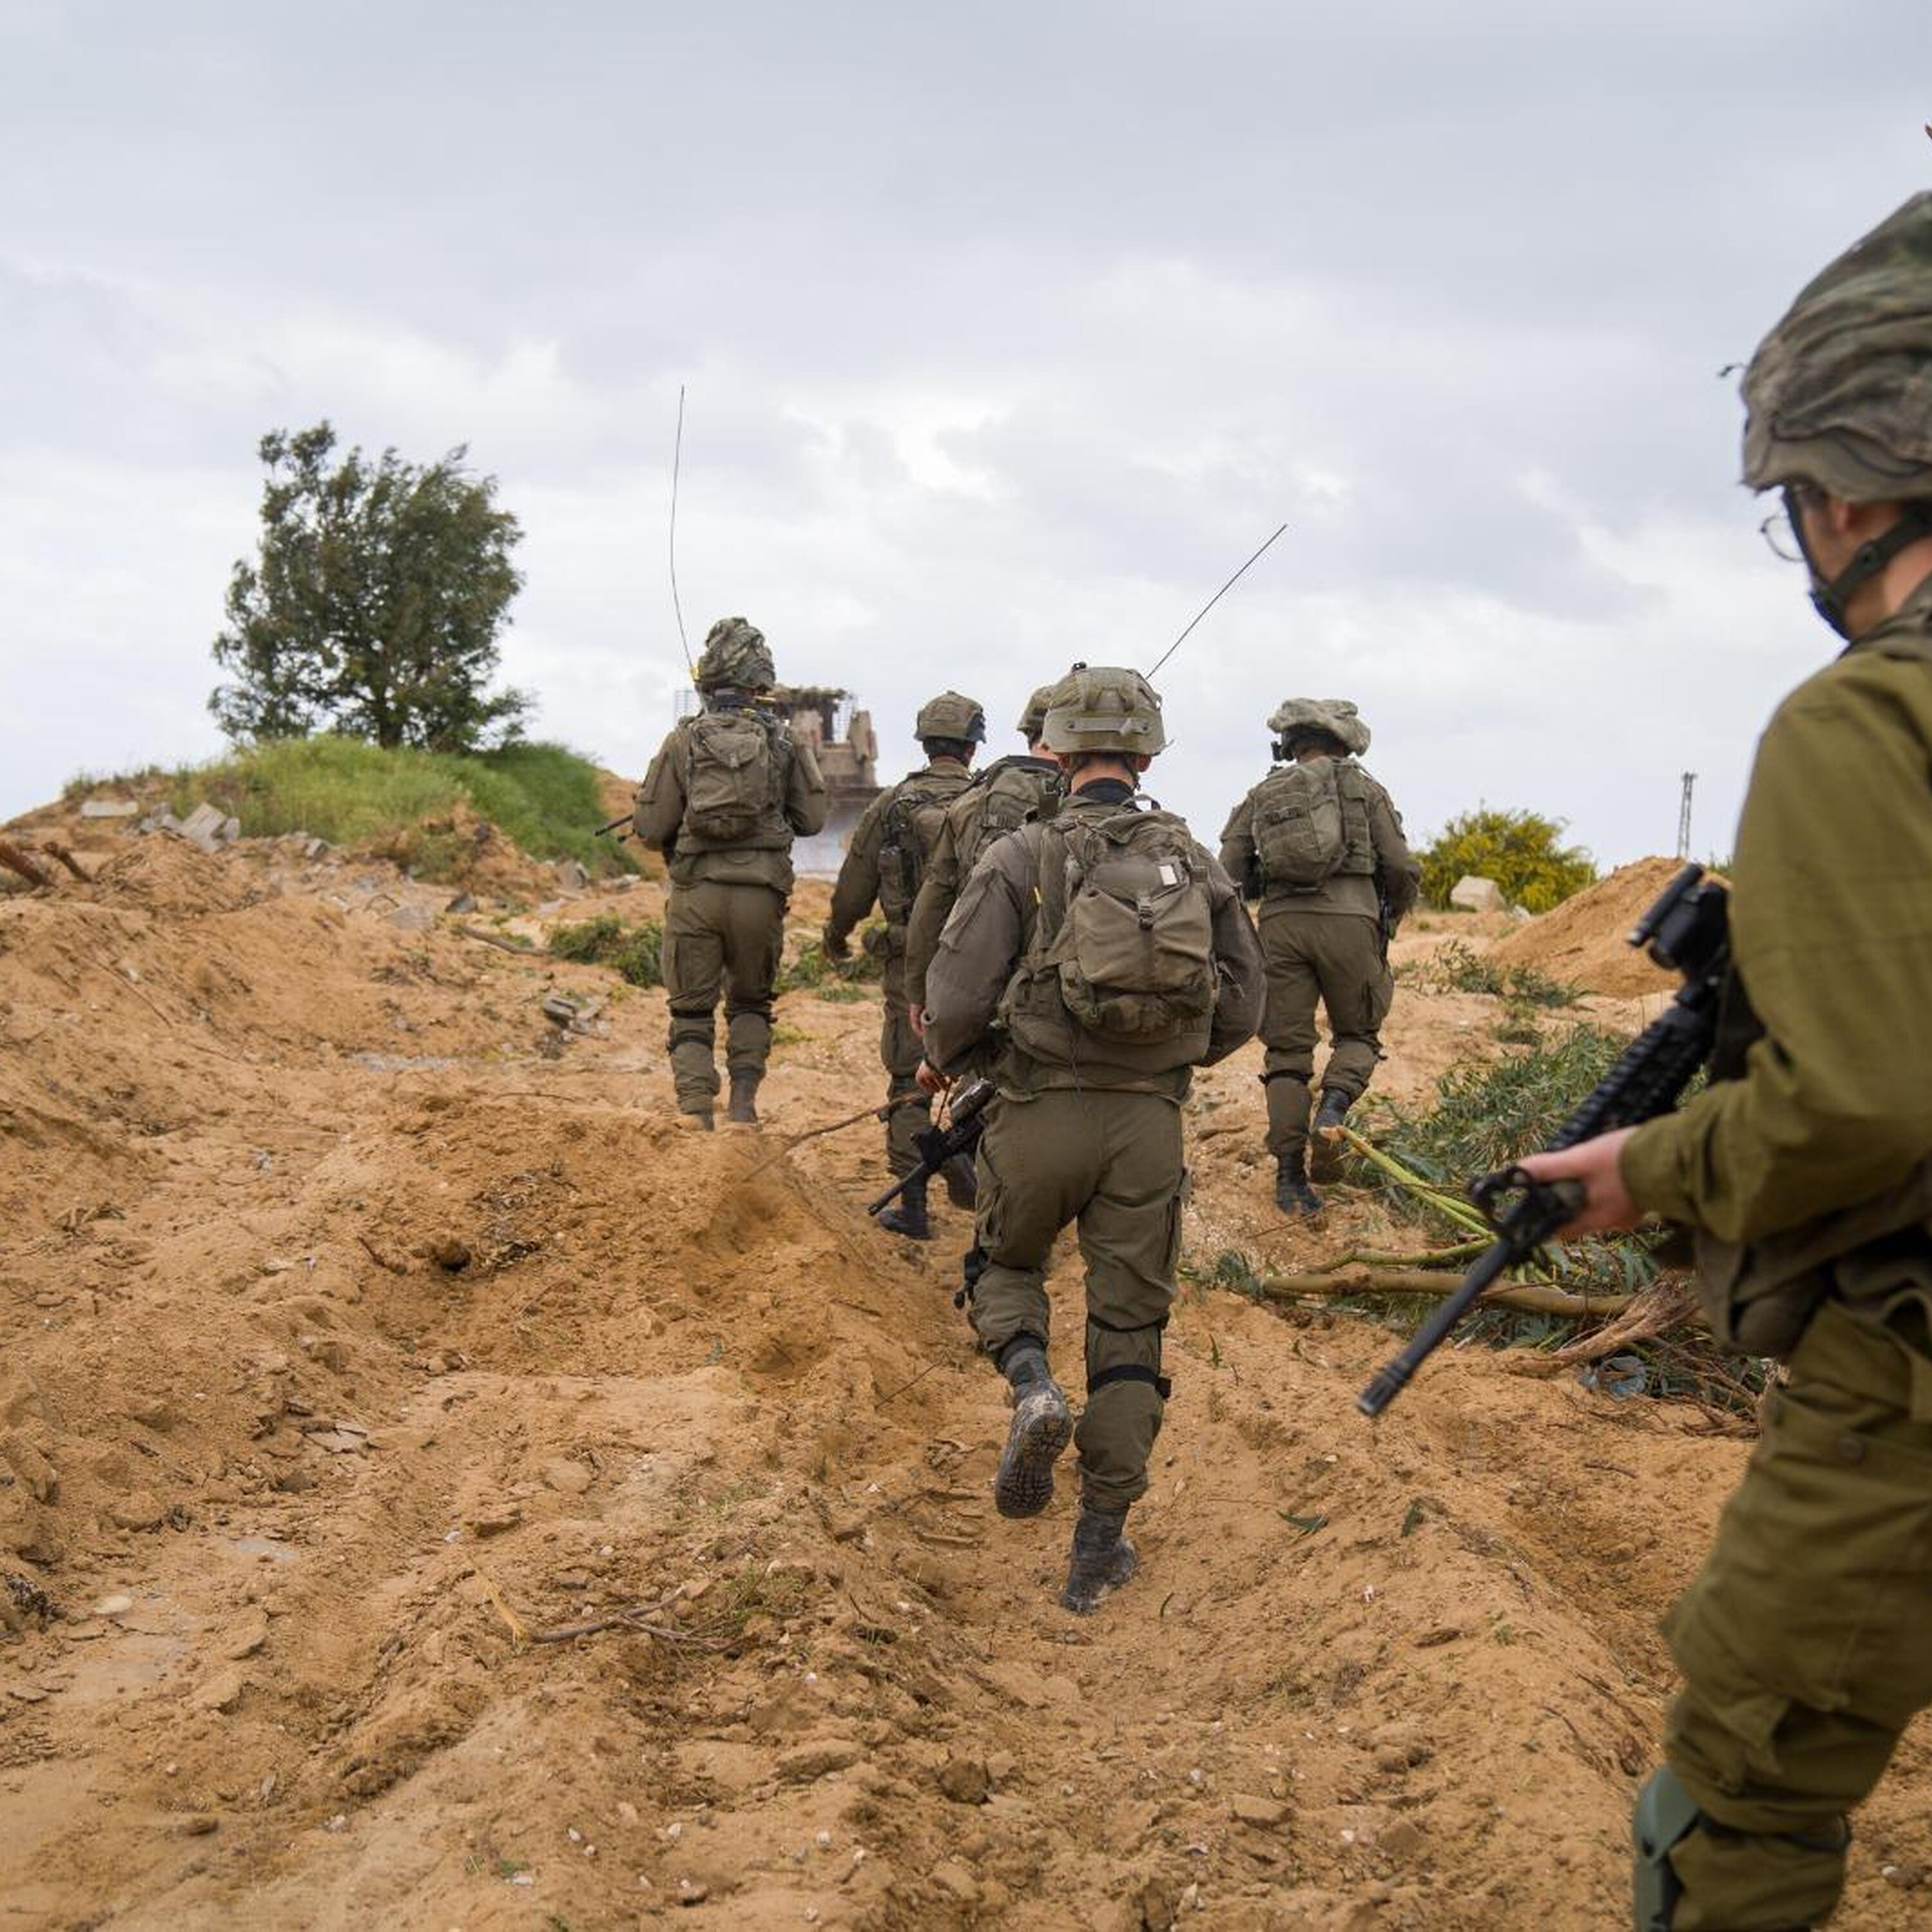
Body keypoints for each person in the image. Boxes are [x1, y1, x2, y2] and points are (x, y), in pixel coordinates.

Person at [1517, 196, 1932, 1931]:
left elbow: (1859, 1097)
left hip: (1908, 1395)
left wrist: (1656, 1171)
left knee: (1741, 1804)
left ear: (1844, 492)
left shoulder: (1869, 719)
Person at [921, 664, 1263, 1613]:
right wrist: (1169, 1063)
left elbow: (952, 1000)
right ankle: (1098, 1545)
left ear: (1057, 751)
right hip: (1147, 1129)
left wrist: (954, 1058)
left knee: (1004, 1266)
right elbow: (1247, 999)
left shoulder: (1021, 856)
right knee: (1129, 1326)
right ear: (1148, 752)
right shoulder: (1193, 862)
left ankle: (1031, 1386)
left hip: (1033, 1116)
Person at [1217, 699, 1419, 1217]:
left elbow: (1228, 869)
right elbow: (1398, 864)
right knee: (1357, 1035)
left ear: (1291, 743)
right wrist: (1389, 917)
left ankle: (1289, 1179)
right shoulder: (1364, 788)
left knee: (1286, 1053)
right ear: (1345, 741)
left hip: (1281, 926)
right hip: (1353, 922)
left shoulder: (1263, 793)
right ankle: (1331, 1110)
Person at [632, 617, 827, 1128]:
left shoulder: (683, 740)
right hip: (760, 896)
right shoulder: (784, 743)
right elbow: (813, 820)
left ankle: (696, 1112)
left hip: (697, 892)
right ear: (759, 683)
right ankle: (743, 1104)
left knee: (691, 1011)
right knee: (751, 1002)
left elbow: (651, 826)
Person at [822, 691, 986, 1237]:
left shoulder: (891, 805)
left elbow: (853, 886)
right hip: (979, 958)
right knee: (986, 1069)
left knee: (908, 1074)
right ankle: (982, 1177)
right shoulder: (989, 805)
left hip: (905, 964)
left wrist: (837, 936)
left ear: (924, 742)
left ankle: (914, 1206)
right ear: (971, 745)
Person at [903, 681, 1063, 1028]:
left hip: (983, 980)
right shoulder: (1099, 809)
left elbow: (935, 902)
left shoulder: (971, 802)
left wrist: (919, 992)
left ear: (1030, 735)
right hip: (1068, 989)